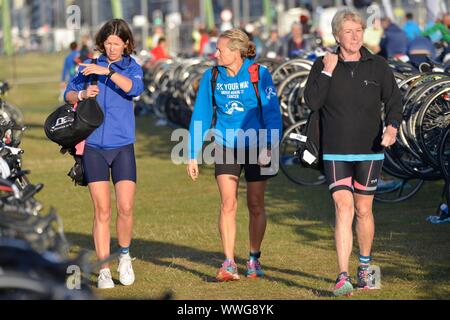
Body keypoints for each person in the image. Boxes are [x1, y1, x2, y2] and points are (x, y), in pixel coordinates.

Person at [304, 8, 402, 297]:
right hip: (335, 151)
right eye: (348, 31)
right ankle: (342, 275)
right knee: (343, 208)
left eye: (358, 30)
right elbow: (312, 101)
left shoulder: (378, 65)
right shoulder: (323, 63)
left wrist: (393, 127)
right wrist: (326, 70)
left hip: (370, 151)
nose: (355, 36)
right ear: (336, 35)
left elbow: (394, 101)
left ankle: (366, 268)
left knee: (363, 209)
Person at [187, 28, 282, 282]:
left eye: (220, 49)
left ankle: (253, 258)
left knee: (255, 203)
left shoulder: (258, 75)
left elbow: (272, 113)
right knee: (228, 203)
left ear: (236, 51)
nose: (215, 53)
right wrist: (192, 153)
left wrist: (270, 144)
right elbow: (202, 115)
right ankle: (229, 262)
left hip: (258, 145)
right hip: (225, 145)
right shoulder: (212, 76)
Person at [64, 19, 144, 289]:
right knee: (102, 210)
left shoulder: (131, 66)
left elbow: (134, 89)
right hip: (94, 147)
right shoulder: (88, 66)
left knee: (126, 207)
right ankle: (104, 269)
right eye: (107, 43)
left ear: (126, 44)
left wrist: (108, 72)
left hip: (123, 146)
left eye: (116, 43)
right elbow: (68, 94)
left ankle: (124, 256)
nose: (111, 48)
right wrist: (83, 92)